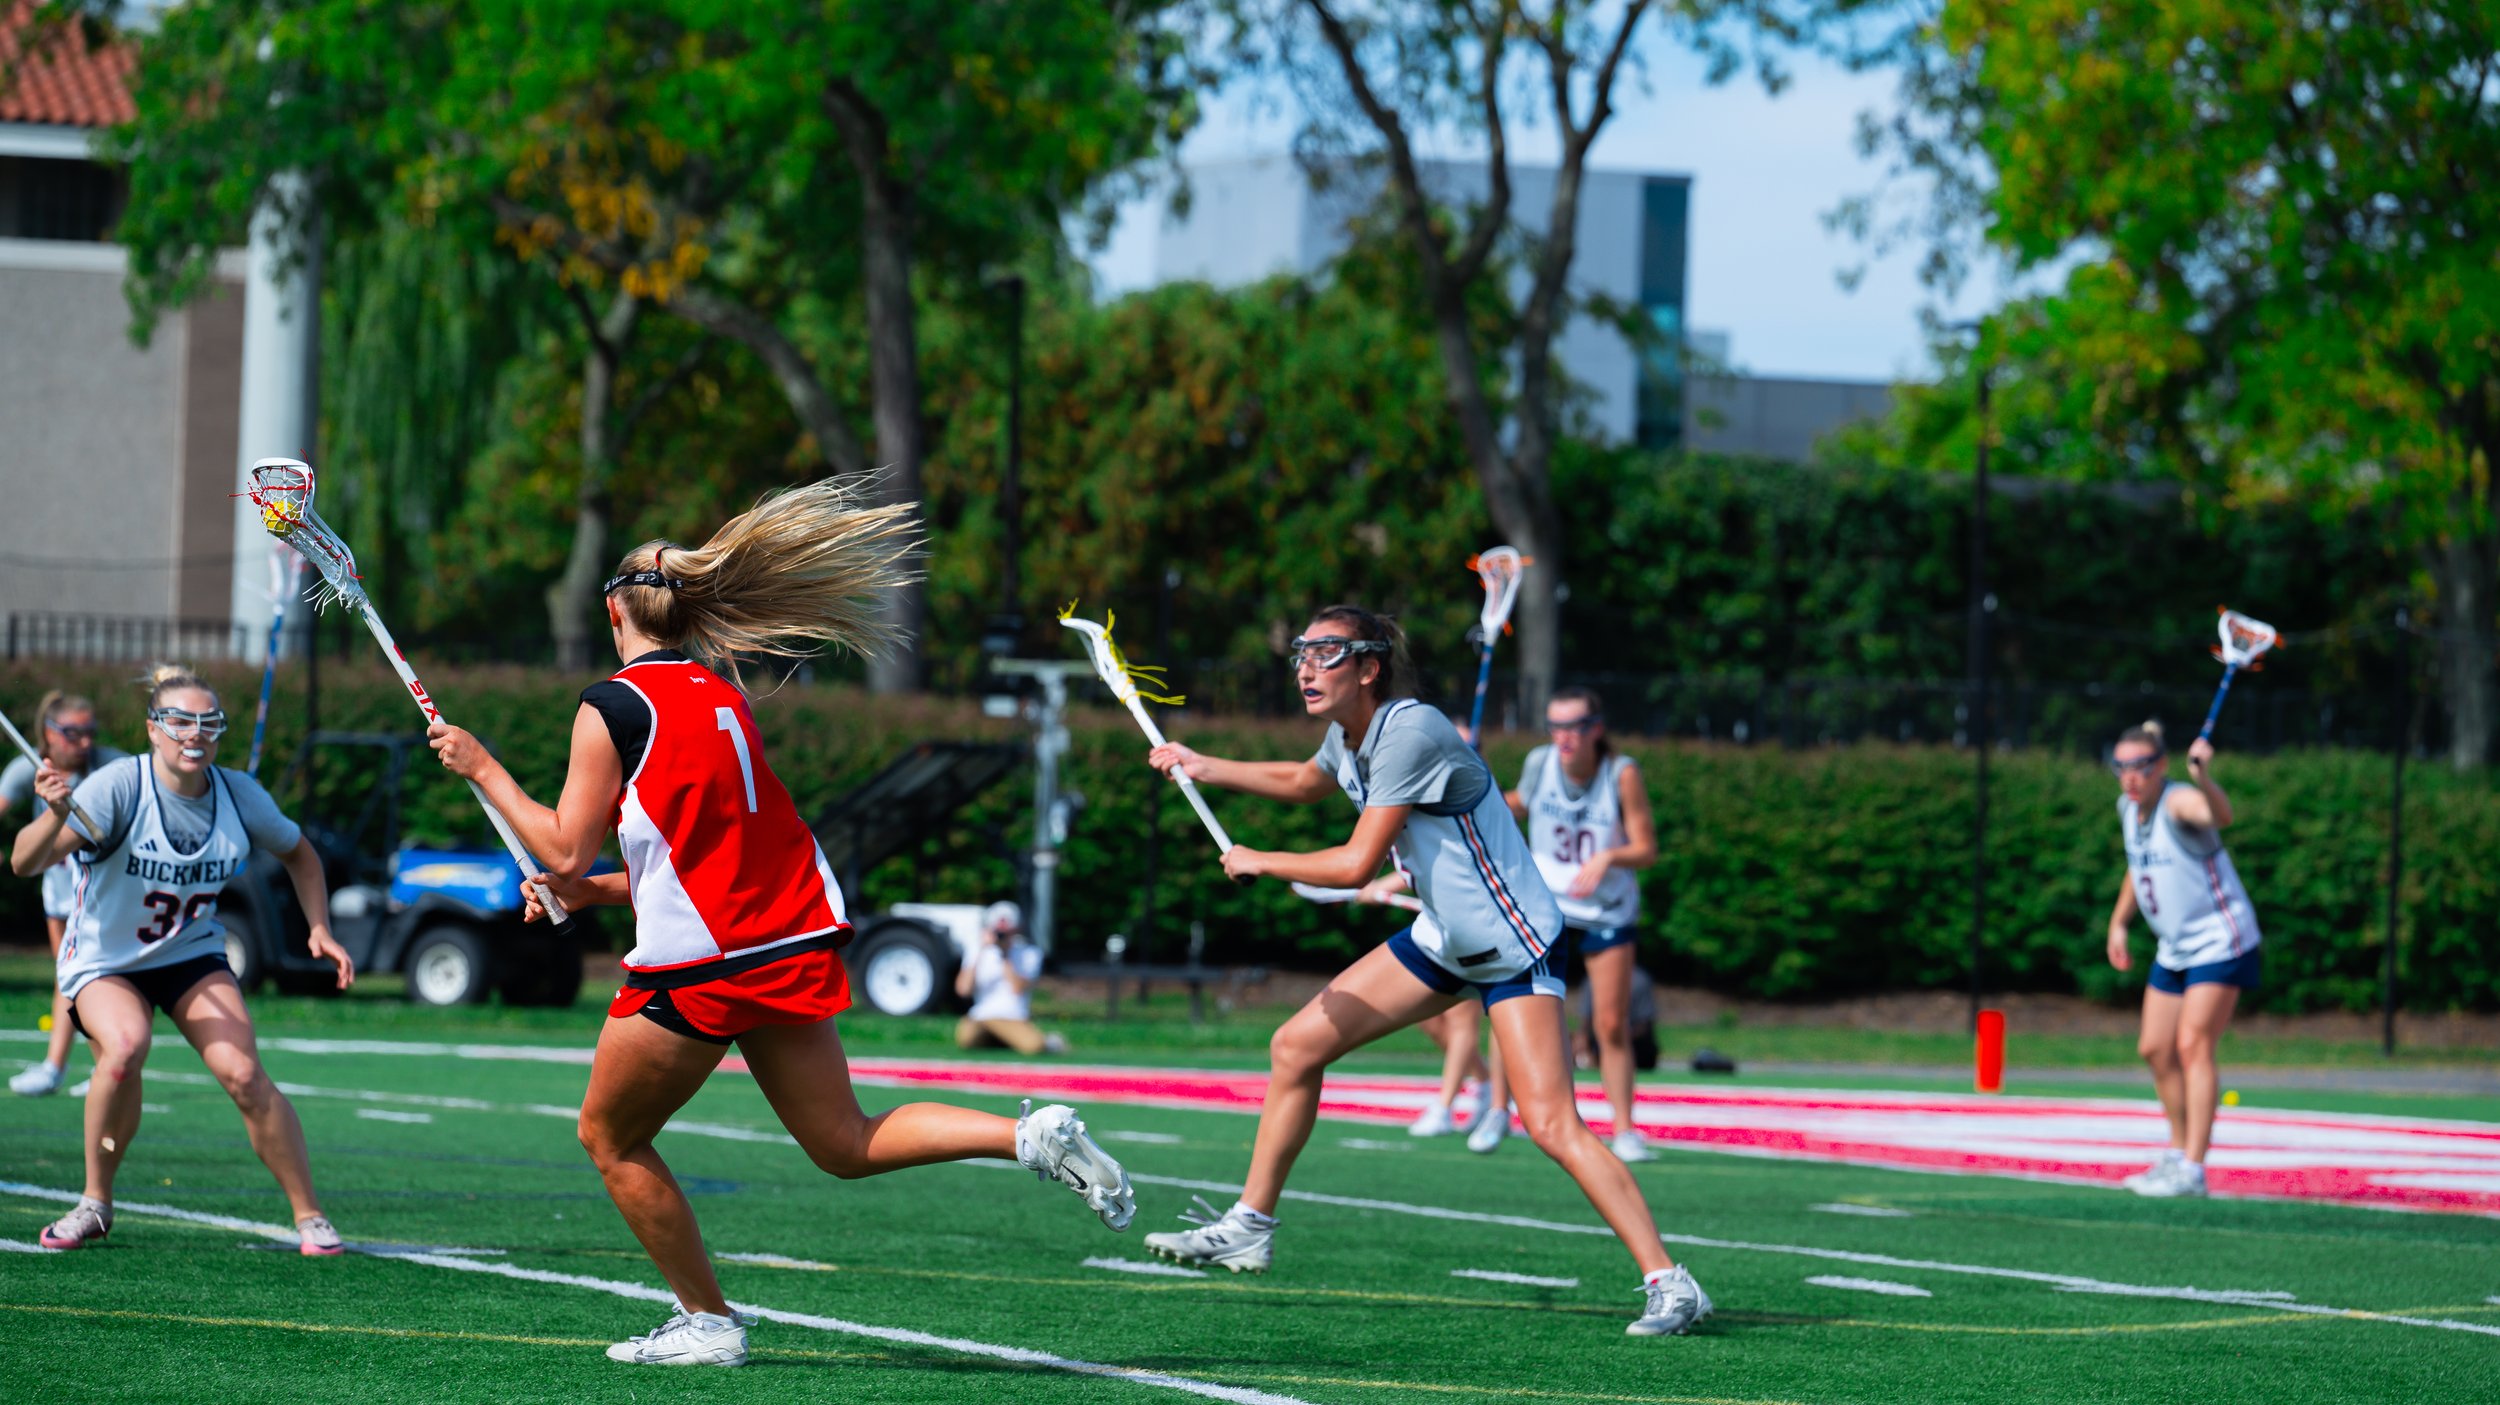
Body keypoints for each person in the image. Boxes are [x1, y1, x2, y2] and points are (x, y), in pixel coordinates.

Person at [425, 480, 1134, 1369]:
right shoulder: (721, 696)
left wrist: (481, 764)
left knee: (609, 1136)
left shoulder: (610, 704)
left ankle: (707, 1319)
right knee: (843, 1142)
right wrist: (593, 893)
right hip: (783, 939)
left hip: (709, 964)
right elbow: (680, 861)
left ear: (615, 609)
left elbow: (562, 849)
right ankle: (1024, 1135)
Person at [1136, 605, 1712, 1336]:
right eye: (1302, 653)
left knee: (1550, 1123)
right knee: (1295, 1046)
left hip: (1512, 943)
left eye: (1326, 653)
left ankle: (1671, 1281)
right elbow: (1305, 779)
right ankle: (1251, 1222)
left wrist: (1259, 858)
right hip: (1443, 936)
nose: (1306, 666)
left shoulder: (1409, 730)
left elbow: (1354, 862)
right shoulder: (1350, 735)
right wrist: (1204, 764)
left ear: (1370, 666)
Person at [8, 665, 352, 1254]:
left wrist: (320, 928)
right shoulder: (116, 786)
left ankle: (309, 1214)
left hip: (190, 952)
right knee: (124, 1049)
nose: (194, 734)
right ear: (152, 730)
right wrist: (56, 814)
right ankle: (95, 1201)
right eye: (179, 722)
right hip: (104, 959)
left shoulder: (239, 794)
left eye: (208, 723)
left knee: (244, 1074)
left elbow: (301, 855)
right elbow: (23, 861)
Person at [2105, 720, 2261, 1199]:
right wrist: (2119, 922)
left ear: (2160, 767)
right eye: (2121, 767)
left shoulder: (2178, 801)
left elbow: (2219, 816)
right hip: (2174, 947)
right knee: (2154, 1047)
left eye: (2140, 767)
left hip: (2220, 940)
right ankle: (2175, 1153)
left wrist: (2205, 779)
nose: (2130, 777)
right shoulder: (2128, 810)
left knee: (2193, 1045)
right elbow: (2138, 863)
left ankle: (2194, 1167)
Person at [1505, 686, 1660, 1162]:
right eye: (1555, 726)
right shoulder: (1540, 763)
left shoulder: (1620, 772)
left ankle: (1624, 1128)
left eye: (1573, 726)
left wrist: (1610, 855)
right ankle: (1502, 1112)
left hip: (1606, 908)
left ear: (1595, 729)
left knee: (1609, 1023)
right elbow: (1520, 802)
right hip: (1546, 905)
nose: (1563, 737)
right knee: (1519, 1007)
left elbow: (1646, 849)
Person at [2, 690, 128, 1096]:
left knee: (83, 976)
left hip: (97, 887)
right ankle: (67, 1066)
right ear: (49, 733)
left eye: (89, 731)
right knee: (69, 977)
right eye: (73, 733)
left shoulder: (111, 767)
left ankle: (85, 1064)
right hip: (57, 887)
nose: (84, 741)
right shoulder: (30, 769)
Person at [953, 900, 1067, 1055]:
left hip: (1012, 1016)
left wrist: (1005, 955)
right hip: (981, 1017)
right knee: (966, 1039)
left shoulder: (1028, 953)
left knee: (1033, 1046)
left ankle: (1030, 1039)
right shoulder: (978, 951)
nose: (1001, 935)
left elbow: (1017, 988)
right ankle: (1005, 1039)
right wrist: (980, 950)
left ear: (1016, 930)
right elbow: (963, 989)